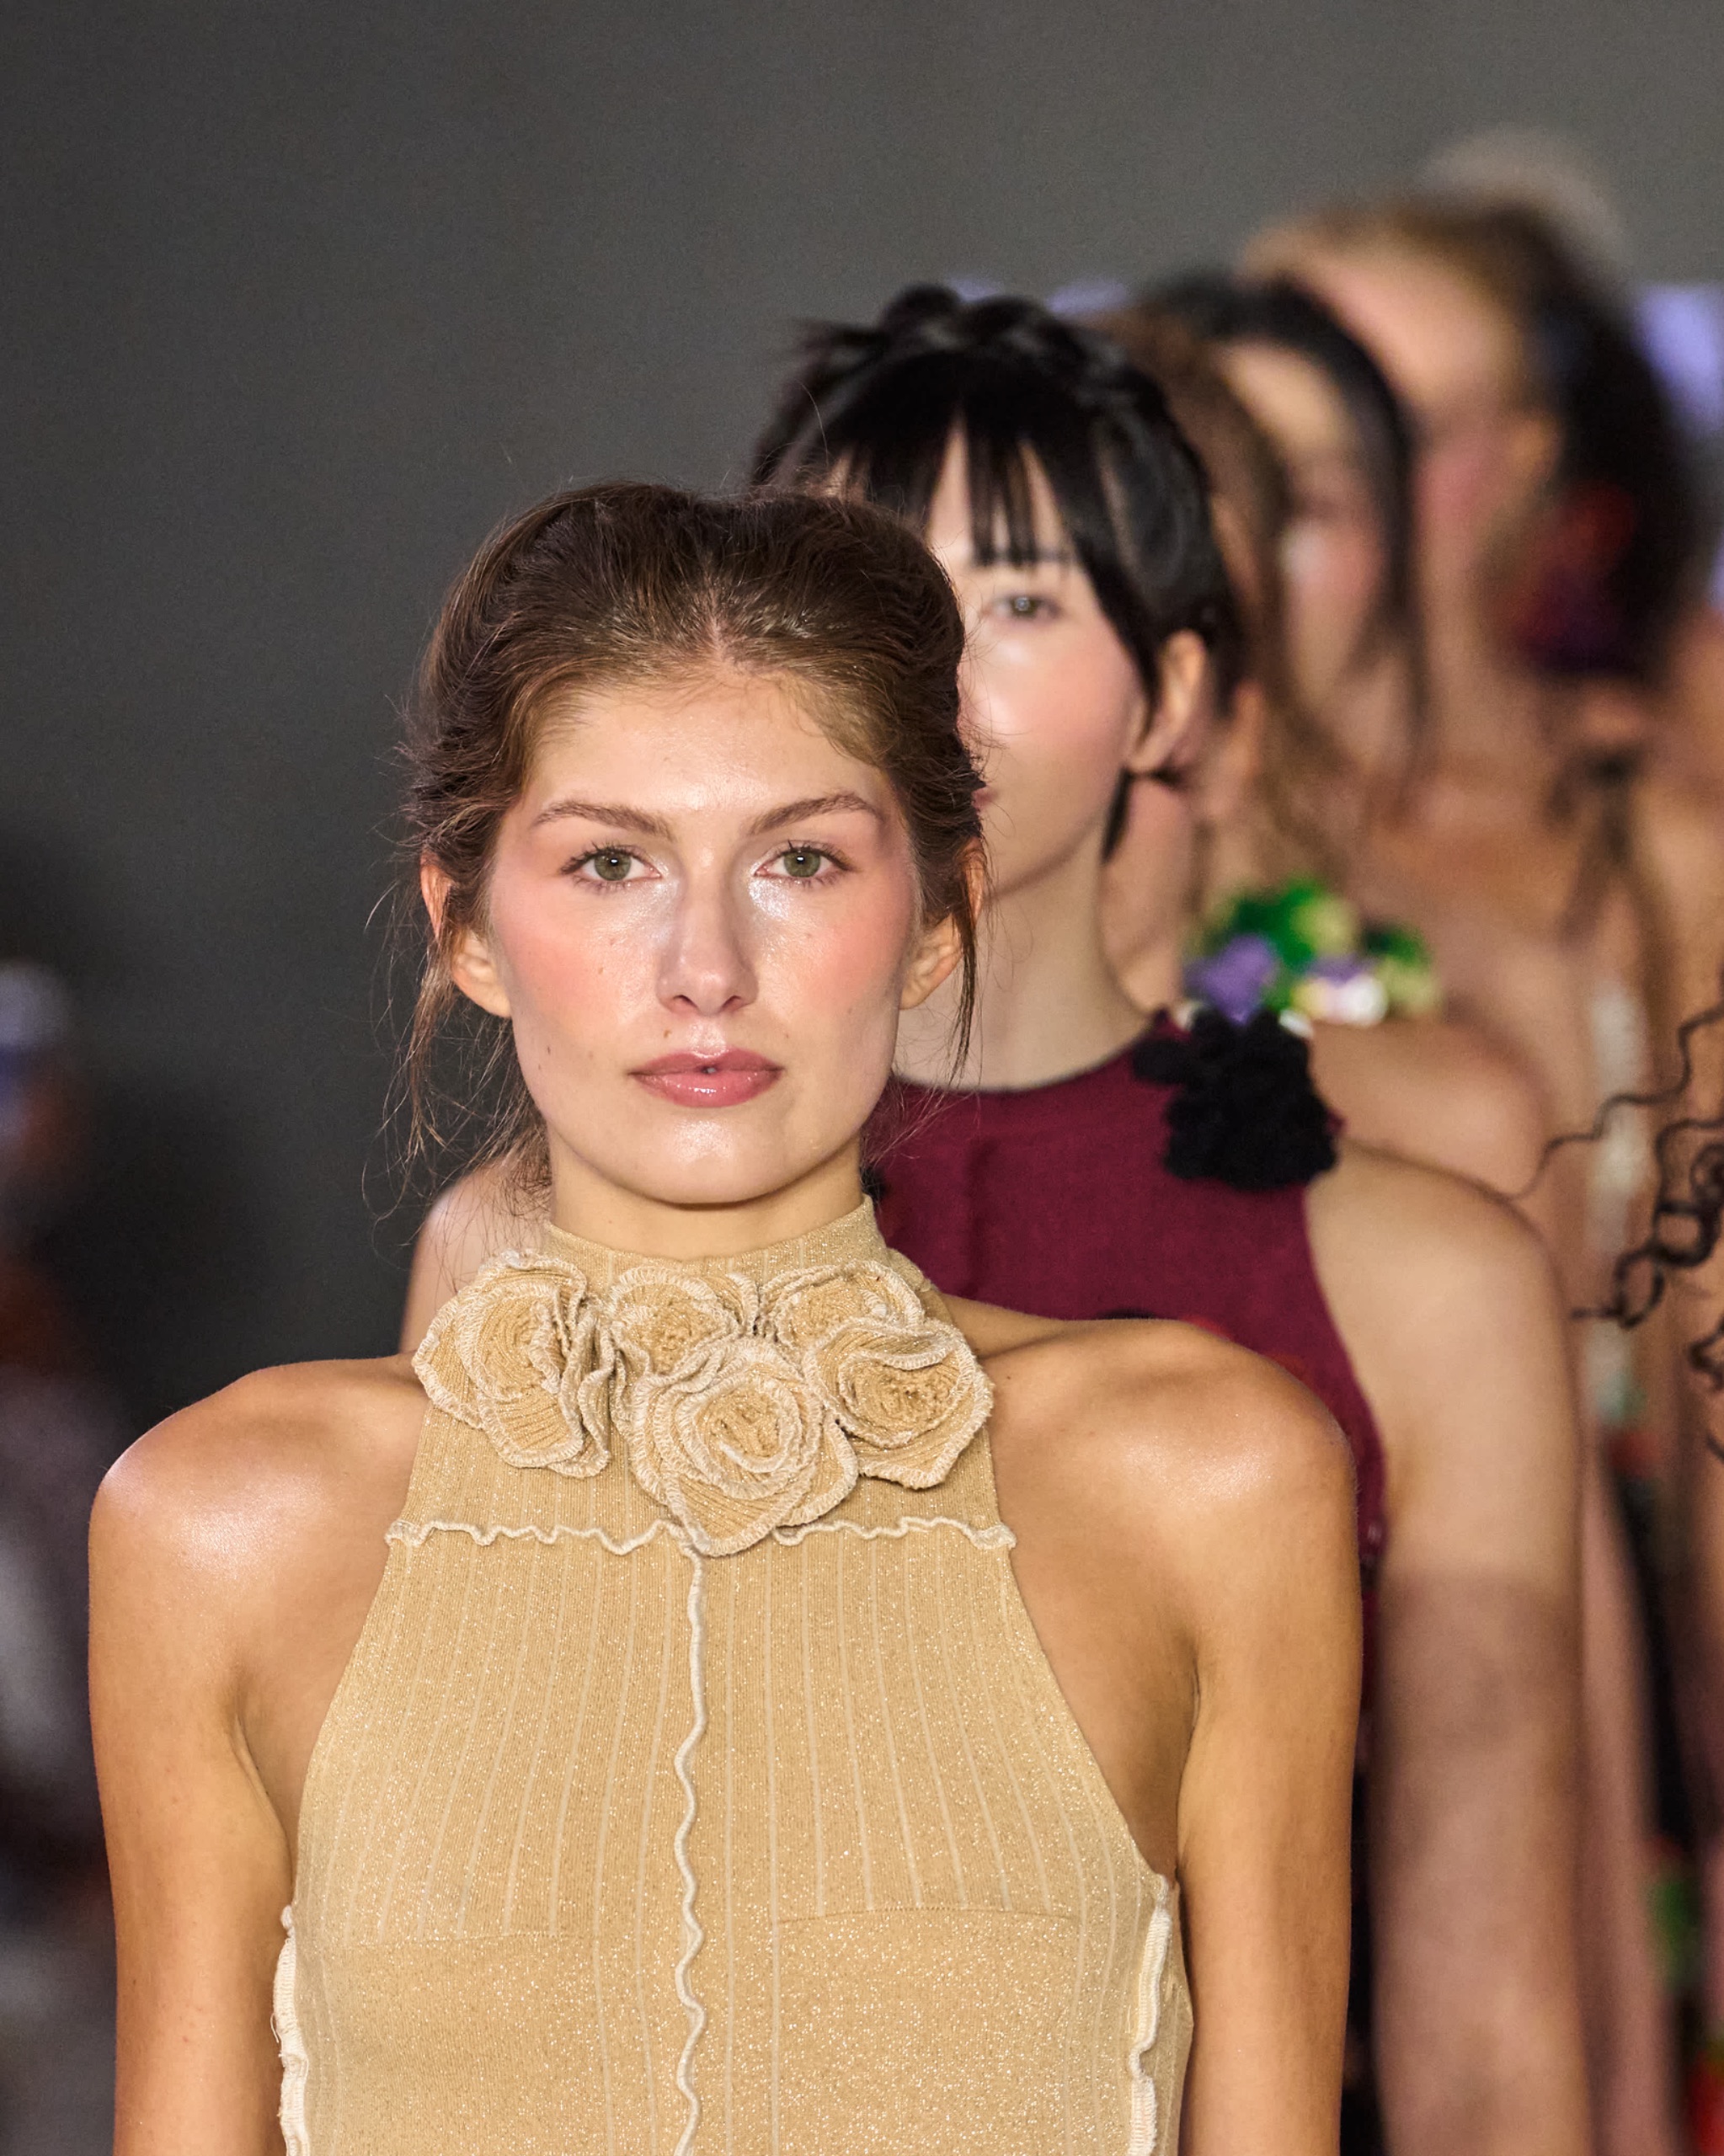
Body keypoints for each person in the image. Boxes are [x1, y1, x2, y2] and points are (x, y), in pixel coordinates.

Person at [407, 291, 1588, 2156]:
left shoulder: (1413, 1266)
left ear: (1176, 697)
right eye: (868, 584)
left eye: (1021, 600)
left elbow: (1492, 2013)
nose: (934, 659)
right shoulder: (524, 1242)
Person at [89, 481, 1358, 2153]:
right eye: (610, 860)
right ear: (465, 922)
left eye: (803, 859)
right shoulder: (221, 1522)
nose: (704, 964)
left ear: (937, 914)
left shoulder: (1205, 1476)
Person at [1245, 199, 1724, 2153]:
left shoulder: (1648, 826)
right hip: (1304, 1604)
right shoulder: (1178, 847)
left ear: (1524, 465)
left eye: (1404, 432)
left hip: (1602, 1589)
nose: (1343, 500)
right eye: (1296, 450)